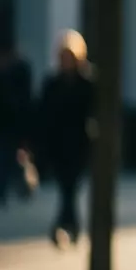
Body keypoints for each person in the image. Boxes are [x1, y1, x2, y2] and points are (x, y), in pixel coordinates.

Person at [36, 30, 95, 247]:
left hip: (79, 145)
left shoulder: (87, 83)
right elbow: (43, 114)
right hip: (58, 146)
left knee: (70, 187)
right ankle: (71, 225)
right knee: (66, 188)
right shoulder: (53, 83)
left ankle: (63, 225)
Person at [0, 30, 34, 206]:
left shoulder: (19, 70)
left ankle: (7, 189)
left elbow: (24, 101)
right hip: (8, 125)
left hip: (12, 125)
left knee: (8, 158)